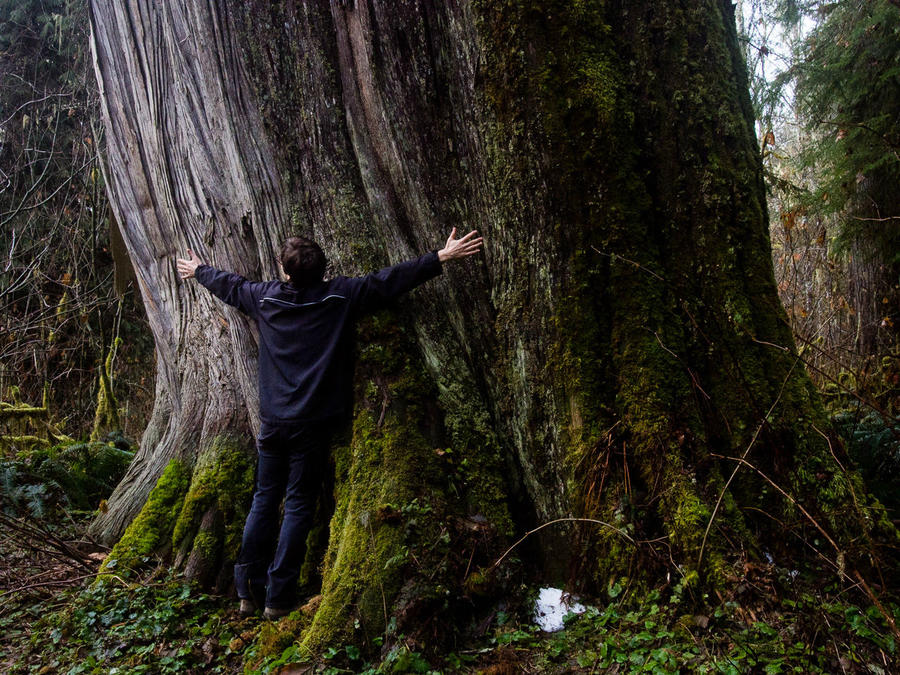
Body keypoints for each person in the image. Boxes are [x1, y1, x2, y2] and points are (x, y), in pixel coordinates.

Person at [176, 229, 483, 619]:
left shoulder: (265, 298)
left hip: (273, 422)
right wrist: (440, 257)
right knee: (299, 503)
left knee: (265, 500)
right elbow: (388, 281)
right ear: (324, 270)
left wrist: (198, 269)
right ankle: (277, 597)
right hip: (313, 424)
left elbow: (231, 286)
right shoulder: (339, 296)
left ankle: (247, 590)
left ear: (285, 273)